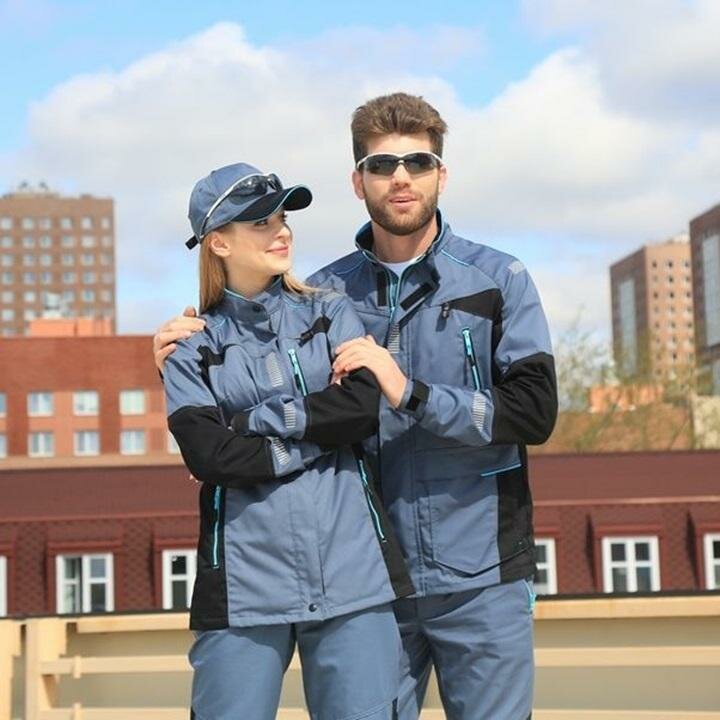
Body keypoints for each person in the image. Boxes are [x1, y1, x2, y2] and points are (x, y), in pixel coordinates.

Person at [156, 95, 558, 720]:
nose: (401, 177)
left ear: (441, 174)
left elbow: (533, 414)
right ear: (357, 180)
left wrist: (409, 392)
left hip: (481, 572)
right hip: (370, 580)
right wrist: (179, 365)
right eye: (381, 165)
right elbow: (222, 428)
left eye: (417, 162)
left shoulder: (498, 279)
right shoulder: (324, 294)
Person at [163, 161, 413, 720]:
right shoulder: (191, 349)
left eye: (282, 218)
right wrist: (314, 437)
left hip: (353, 577)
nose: (281, 231)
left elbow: (358, 412)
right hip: (244, 589)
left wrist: (254, 421)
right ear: (218, 242)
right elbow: (210, 455)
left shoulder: (331, 311)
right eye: (260, 223)